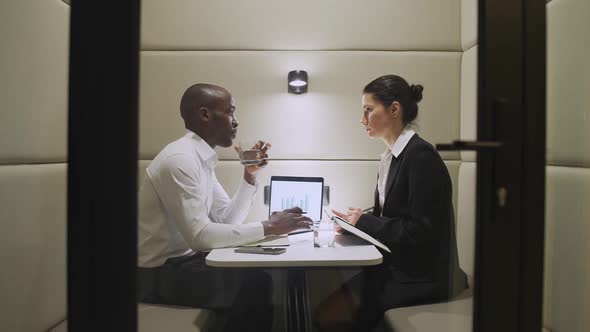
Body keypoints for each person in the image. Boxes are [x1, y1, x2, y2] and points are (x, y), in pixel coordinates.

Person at [137, 83, 311, 332]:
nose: (236, 122)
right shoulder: (180, 160)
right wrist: (269, 226)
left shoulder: (199, 158)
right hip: (158, 276)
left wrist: (249, 176)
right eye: (230, 112)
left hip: (182, 265)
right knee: (255, 285)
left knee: (257, 280)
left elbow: (227, 222)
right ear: (205, 114)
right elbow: (199, 237)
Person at [315, 75, 468, 331]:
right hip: (396, 268)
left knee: (330, 317)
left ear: (394, 109)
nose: (362, 120)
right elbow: (392, 211)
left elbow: (421, 231)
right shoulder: (392, 156)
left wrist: (365, 222)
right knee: (325, 312)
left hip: (422, 278)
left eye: (368, 110)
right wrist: (356, 219)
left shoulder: (421, 157)